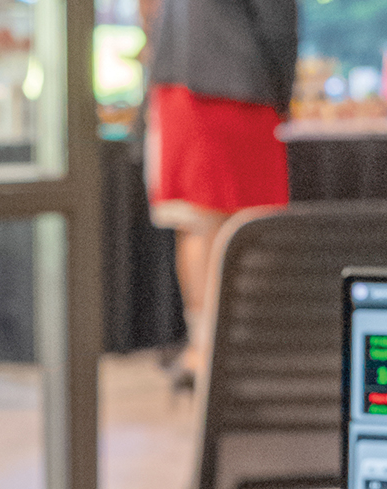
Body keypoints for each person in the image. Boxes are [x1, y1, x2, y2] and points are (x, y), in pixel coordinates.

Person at [142, 0, 298, 390]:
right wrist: (284, 93)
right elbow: (277, 24)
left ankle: (202, 347)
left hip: (175, 84)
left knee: (196, 225)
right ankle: (233, 349)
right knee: (250, 228)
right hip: (238, 88)